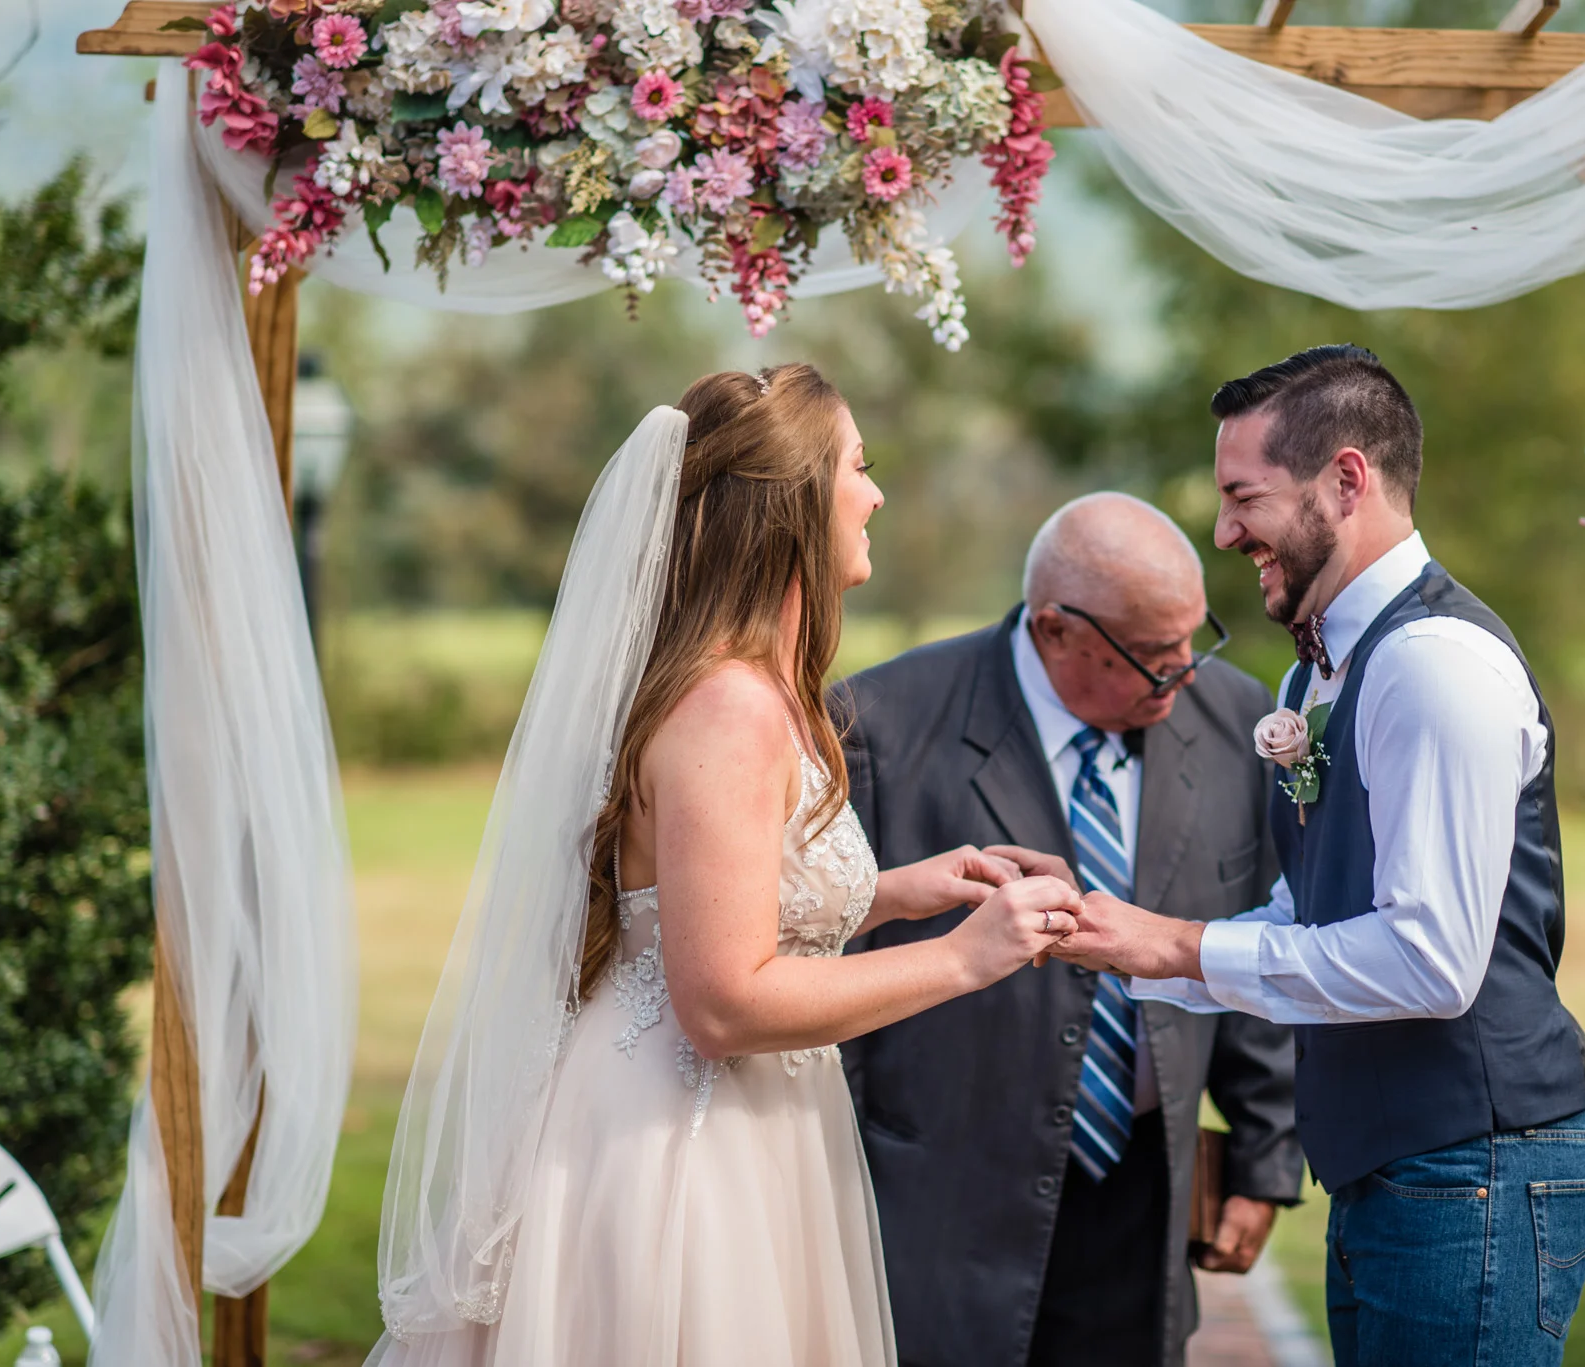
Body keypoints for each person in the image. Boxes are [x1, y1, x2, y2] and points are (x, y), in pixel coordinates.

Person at [367, 365, 1083, 1367]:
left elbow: (717, 904)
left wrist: (892, 894)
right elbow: (723, 1001)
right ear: (793, 502)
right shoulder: (728, 708)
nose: (876, 495)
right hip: (678, 1142)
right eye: (858, 467)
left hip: (753, 1118)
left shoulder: (754, 689)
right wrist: (967, 955)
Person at [1051, 347, 1585, 1367]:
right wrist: (1115, 936)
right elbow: (1314, 911)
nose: (1224, 533)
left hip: (1473, 1170)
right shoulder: (1319, 674)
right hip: (1403, 1173)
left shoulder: (1432, 664)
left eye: (1242, 497)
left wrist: (1177, 946)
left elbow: (1430, 961)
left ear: (1345, 480)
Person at [836, 493, 1304, 1367]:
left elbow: (1251, 936)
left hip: (1141, 1199)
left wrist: (1263, 1155)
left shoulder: (1235, 723)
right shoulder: (882, 727)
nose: (1185, 676)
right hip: (938, 1208)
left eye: (1194, 641)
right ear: (1055, 628)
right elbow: (829, 971)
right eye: (1155, 658)